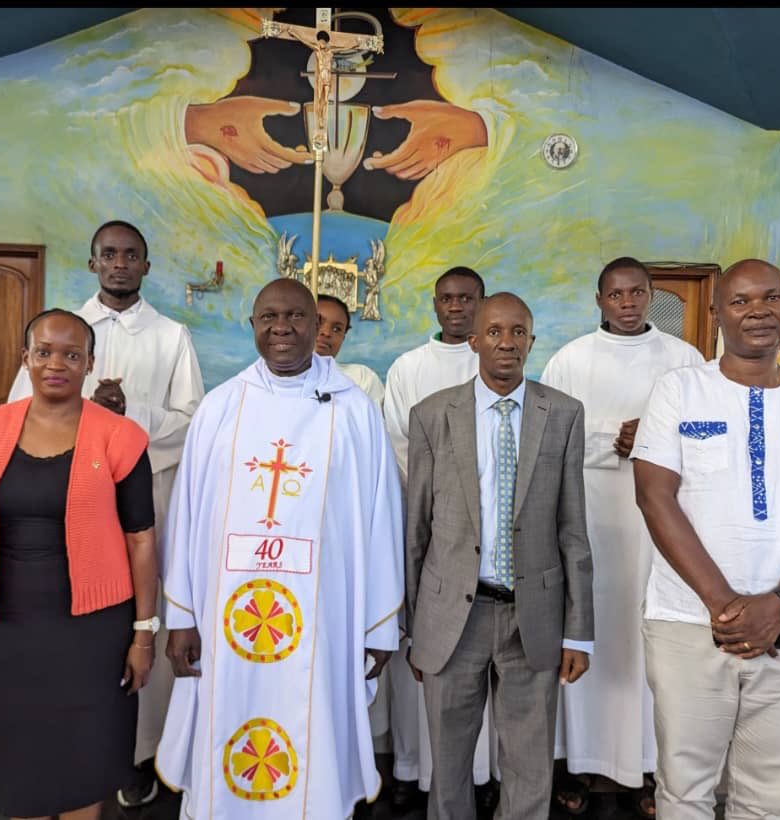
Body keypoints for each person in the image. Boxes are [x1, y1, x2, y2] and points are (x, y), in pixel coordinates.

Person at [155, 278, 403, 819]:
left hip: (326, 618)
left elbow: (382, 518)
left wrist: (379, 625)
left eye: (295, 317)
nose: (282, 328)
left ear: (318, 328)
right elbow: (187, 515)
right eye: (269, 317)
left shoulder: (355, 412)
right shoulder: (221, 408)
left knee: (314, 734)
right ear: (253, 326)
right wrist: (182, 616)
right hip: (227, 619)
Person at [632, 259, 780, 820]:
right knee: (684, 789)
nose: (758, 311)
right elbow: (653, 496)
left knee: (770, 796)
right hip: (689, 625)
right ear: (716, 314)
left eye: (771, 298)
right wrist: (727, 607)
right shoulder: (678, 391)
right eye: (740, 301)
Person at [7, 219, 204, 807]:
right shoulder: (62, 330)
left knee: (139, 620)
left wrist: (127, 415)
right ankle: (71, 748)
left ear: (147, 266)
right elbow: (20, 410)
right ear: (92, 263)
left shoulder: (172, 335)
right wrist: (81, 409)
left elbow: (192, 419)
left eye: (132, 255)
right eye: (109, 254)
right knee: (78, 619)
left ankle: (139, 754)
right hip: (66, 504)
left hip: (142, 502)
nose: (120, 263)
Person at [0, 308, 159, 820]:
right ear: (26, 359)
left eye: (71, 354)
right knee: (20, 763)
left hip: (94, 631)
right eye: (44, 352)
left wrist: (143, 635)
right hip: (8, 627)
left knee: (86, 760)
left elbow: (142, 541)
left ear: (90, 364)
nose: (56, 364)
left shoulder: (120, 437)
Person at [406, 292, 594, 819]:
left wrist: (577, 630)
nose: (506, 342)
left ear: (532, 341)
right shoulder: (432, 416)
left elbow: (573, 530)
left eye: (517, 332)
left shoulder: (563, 414)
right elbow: (415, 530)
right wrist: (410, 626)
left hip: (531, 616)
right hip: (450, 619)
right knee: (448, 764)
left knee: (530, 764)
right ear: (473, 340)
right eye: (494, 332)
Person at [541, 257, 704, 818]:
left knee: (648, 637)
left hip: (659, 524)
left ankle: (649, 770)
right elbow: (550, 439)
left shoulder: (685, 360)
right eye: (616, 294)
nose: (628, 302)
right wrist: (614, 438)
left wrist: (655, 439)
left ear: (652, 295)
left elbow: (705, 437)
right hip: (591, 517)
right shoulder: (570, 359)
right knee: (588, 632)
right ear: (599, 300)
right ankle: (578, 765)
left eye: (638, 293)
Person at [382, 265, 495, 813]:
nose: (457, 307)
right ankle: (408, 765)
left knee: (478, 659)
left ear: (482, 303)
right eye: (447, 298)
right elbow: (398, 449)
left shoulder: (495, 359)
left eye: (467, 298)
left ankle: (478, 773)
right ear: (434, 303)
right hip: (427, 523)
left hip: (487, 536)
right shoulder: (409, 367)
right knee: (424, 650)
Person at [315, 293, 385, 406]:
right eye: (318, 323)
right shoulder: (279, 379)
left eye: (337, 329)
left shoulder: (361, 379)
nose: (326, 332)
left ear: (343, 337)